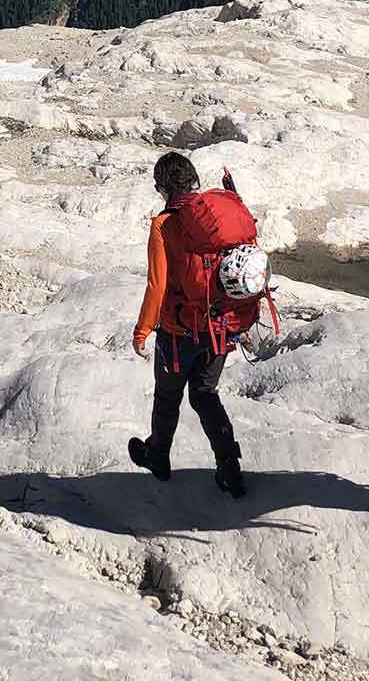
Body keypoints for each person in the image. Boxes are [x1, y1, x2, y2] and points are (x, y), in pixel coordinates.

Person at [127, 152, 247, 499]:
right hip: (221, 325)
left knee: (168, 395)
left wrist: (142, 330)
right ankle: (229, 469)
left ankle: (158, 457)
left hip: (179, 332)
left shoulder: (164, 224)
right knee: (205, 394)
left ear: (161, 187)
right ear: (193, 179)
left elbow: (157, 285)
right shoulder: (217, 214)